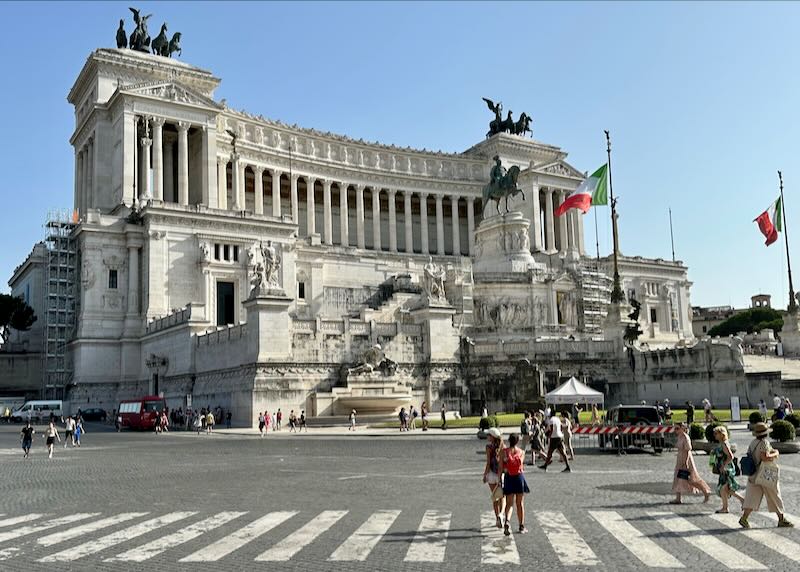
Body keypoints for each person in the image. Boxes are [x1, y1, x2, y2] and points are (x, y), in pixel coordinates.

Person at [740, 422, 794, 528]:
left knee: (752, 497)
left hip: (754, 474)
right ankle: (781, 519)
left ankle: (744, 518)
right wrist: (776, 453)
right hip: (765, 474)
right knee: (774, 495)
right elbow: (765, 457)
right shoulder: (764, 442)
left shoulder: (753, 442)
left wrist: (771, 451)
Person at [670, 423, 710, 504]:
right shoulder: (680, 437)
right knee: (678, 477)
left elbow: (688, 451)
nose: (676, 430)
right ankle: (678, 498)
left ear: (682, 428)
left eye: (677, 428)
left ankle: (705, 491)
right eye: (675, 429)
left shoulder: (686, 437)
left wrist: (685, 462)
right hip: (680, 459)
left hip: (686, 459)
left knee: (691, 479)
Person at [500, 433, 529, 535]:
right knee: (520, 503)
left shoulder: (504, 452)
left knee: (509, 503)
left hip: (508, 477)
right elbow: (521, 465)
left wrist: (500, 479)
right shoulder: (521, 452)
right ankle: (521, 526)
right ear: (517, 441)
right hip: (518, 477)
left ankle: (507, 520)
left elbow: (501, 467)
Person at [711, 426, 743, 513]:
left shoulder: (724, 444)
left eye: (716, 433)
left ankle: (726, 507)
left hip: (726, 469)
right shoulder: (722, 443)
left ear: (722, 434)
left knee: (724, 488)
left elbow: (730, 456)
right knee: (726, 489)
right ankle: (728, 506)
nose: (715, 435)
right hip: (724, 468)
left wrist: (724, 465)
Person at [483, 427, 505, 529]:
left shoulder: (488, 447)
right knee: (502, 497)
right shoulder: (502, 446)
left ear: (492, 437)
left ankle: (497, 518)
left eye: (488, 435)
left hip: (492, 473)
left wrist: (485, 474)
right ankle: (501, 514)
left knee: (494, 497)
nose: (487, 436)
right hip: (501, 474)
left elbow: (488, 463)